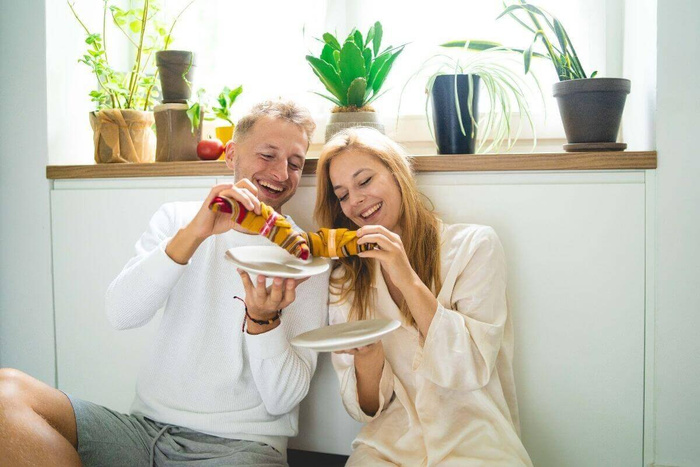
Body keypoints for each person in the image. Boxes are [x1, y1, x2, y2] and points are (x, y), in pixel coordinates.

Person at [0, 100, 329, 467]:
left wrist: (263, 322)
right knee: (6, 394)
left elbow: (283, 399)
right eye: (268, 155)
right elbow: (121, 313)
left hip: (241, 448)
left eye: (295, 163)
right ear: (231, 154)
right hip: (142, 433)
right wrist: (194, 234)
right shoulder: (177, 219)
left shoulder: (305, 258)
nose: (281, 173)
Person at [314, 127, 533, 466]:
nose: (354, 201)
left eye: (365, 181)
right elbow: (367, 410)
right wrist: (368, 359)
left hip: (474, 439)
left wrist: (406, 278)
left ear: (397, 172)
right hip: (390, 444)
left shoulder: (474, 247)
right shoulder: (346, 279)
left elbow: (469, 369)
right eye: (342, 194)